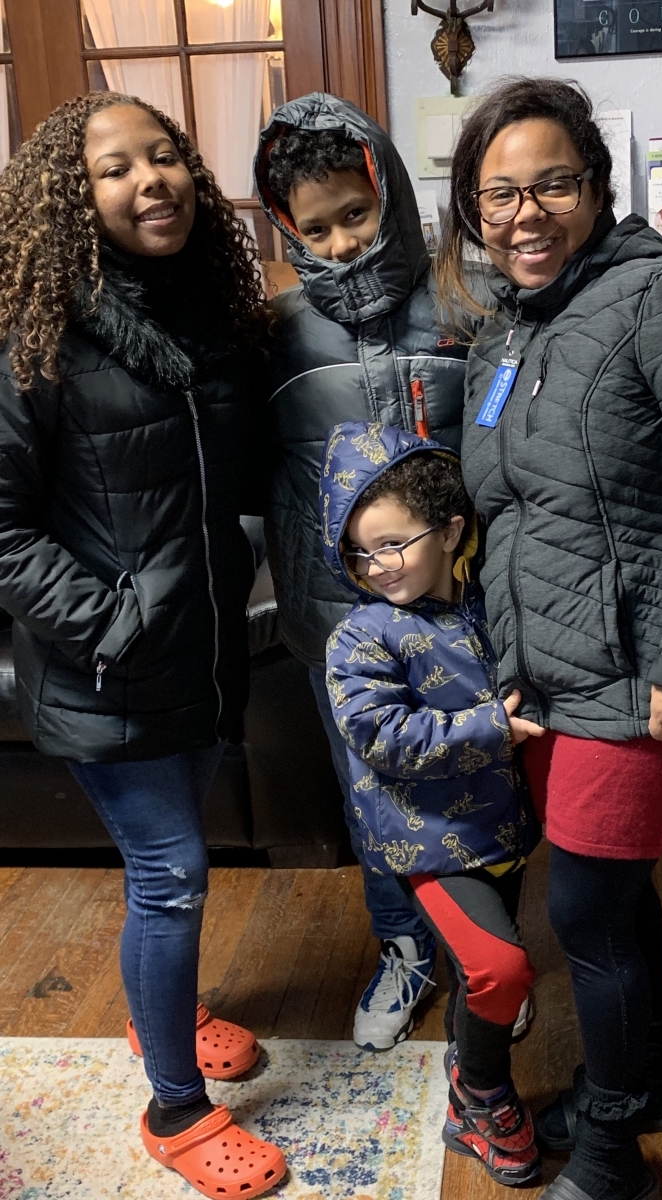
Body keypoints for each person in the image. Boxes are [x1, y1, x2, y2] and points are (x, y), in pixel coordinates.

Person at [436, 77, 662, 1200]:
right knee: (614, 904)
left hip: (641, 679)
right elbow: (503, 513)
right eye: (499, 195)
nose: (525, 214)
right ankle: (659, 1080)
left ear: (597, 186)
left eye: (552, 185)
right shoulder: (504, 335)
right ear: (471, 209)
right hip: (545, 676)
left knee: (587, 915)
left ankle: (610, 1153)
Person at [0, 93, 285, 1198]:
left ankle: (157, 1014)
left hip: (200, 653)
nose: (150, 180)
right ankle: (174, 1109)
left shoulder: (209, 318)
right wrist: (115, 621)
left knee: (167, 872)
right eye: (114, 168)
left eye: (164, 156)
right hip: (108, 665)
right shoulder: (34, 335)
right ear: (72, 200)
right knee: (171, 876)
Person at [253, 94, 472, 1051]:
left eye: (356, 213)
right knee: (371, 791)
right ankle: (403, 947)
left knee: (477, 779)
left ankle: (479, 950)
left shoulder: (470, 306)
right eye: (316, 227)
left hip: (468, 605)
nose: (340, 242)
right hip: (340, 621)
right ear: (286, 231)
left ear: (389, 194)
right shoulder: (275, 336)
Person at [320, 420, 543, 1186]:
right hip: (429, 842)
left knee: (483, 974)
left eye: (392, 544)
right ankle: (478, 1096)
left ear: (450, 531)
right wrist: (494, 730)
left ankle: (467, 1058)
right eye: (359, 550)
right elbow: (382, 734)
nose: (375, 565)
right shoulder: (359, 638)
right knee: (503, 970)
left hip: (501, 827)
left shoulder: (486, 602)